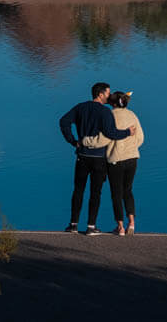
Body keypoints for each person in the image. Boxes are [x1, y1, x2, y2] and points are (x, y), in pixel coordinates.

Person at [59, 81, 135, 235]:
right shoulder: (105, 112)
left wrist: (73, 141)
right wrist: (128, 133)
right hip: (99, 157)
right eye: (108, 93)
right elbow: (111, 133)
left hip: (82, 156)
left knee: (78, 190)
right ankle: (91, 226)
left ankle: (73, 224)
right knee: (95, 192)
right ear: (100, 94)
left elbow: (64, 121)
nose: (110, 95)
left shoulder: (80, 107)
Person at [105, 91, 143, 235]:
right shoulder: (132, 115)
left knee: (116, 193)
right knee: (128, 190)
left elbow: (106, 136)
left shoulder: (110, 115)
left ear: (112, 103)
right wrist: (131, 146)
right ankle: (131, 223)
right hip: (132, 157)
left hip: (115, 158)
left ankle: (120, 226)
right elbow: (140, 137)